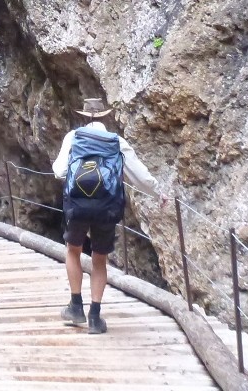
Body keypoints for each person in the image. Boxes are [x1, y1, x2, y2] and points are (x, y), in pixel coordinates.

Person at [52, 97, 161, 335]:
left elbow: (59, 170)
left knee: (73, 250)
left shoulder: (73, 137)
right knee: (99, 258)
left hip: (77, 206)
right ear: (104, 116)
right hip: (106, 206)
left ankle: (76, 306)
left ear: (84, 115)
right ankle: (95, 316)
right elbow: (139, 176)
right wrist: (158, 193)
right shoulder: (116, 142)